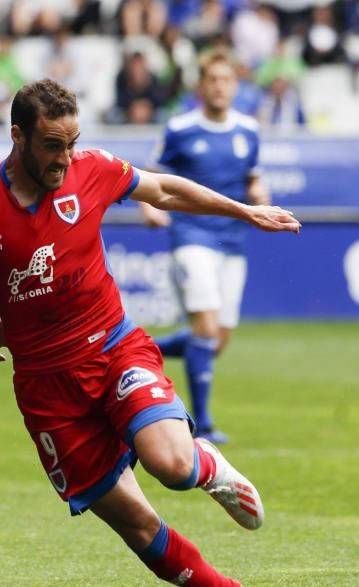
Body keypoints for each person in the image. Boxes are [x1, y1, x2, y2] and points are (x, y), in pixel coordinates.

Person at [0, 79, 300, 587]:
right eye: (51, 146)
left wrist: (244, 212)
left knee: (171, 466)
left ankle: (205, 465)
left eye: (72, 142)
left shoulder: (92, 169)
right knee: (139, 529)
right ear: (17, 137)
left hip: (112, 348)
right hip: (45, 389)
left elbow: (161, 190)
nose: (65, 158)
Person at [142, 50, 271, 445]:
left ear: (236, 85)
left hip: (231, 240)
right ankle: (204, 425)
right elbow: (151, 177)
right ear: (201, 85)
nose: (219, 86)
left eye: (226, 79)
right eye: (212, 79)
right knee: (206, 328)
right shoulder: (181, 128)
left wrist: (261, 197)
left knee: (216, 340)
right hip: (191, 237)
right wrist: (149, 206)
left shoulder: (248, 130)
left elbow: (252, 180)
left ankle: (139, 353)